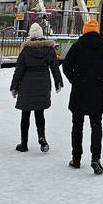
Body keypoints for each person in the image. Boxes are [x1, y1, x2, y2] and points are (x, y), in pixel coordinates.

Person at [62, 18, 103, 174]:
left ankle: (76, 158)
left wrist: (75, 80)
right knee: (96, 124)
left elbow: (66, 66)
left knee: (77, 124)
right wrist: (101, 78)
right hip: (96, 90)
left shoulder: (77, 46)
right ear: (97, 31)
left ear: (84, 30)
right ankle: (95, 158)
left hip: (79, 89)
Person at [10, 22, 63, 153]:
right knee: (40, 113)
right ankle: (42, 138)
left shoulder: (26, 51)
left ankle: (24, 144)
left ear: (31, 36)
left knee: (25, 115)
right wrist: (58, 82)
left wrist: (14, 86)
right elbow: (55, 67)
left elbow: (19, 70)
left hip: (27, 86)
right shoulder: (49, 49)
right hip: (43, 84)